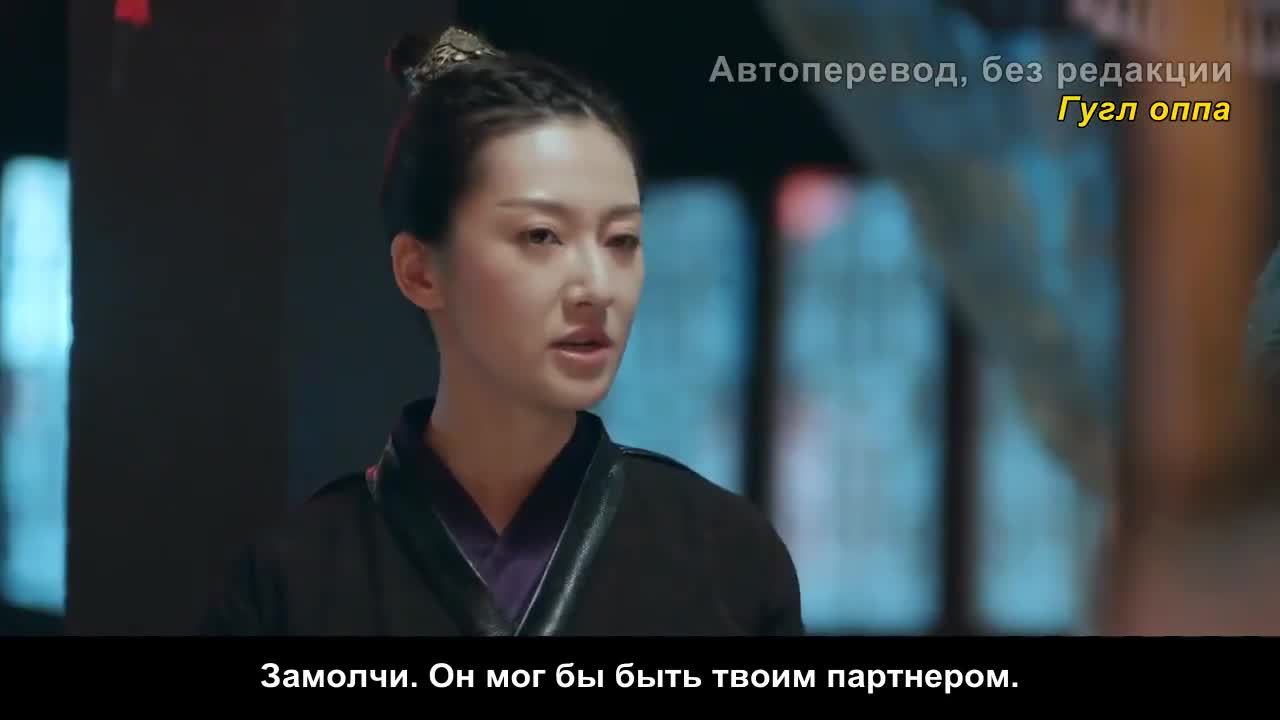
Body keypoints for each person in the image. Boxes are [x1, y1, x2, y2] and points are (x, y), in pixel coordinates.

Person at [199, 26, 803, 636]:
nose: (598, 286)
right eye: (541, 235)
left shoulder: (727, 556)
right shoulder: (292, 581)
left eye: (621, 240)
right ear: (420, 271)